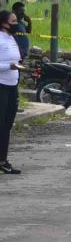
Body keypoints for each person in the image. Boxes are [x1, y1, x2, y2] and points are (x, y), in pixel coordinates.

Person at [0, 10, 25, 174]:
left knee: (7, 124)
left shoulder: (11, 38)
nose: (16, 24)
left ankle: (3, 160)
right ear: (3, 23)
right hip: (1, 85)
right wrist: (9, 66)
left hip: (12, 85)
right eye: (13, 21)